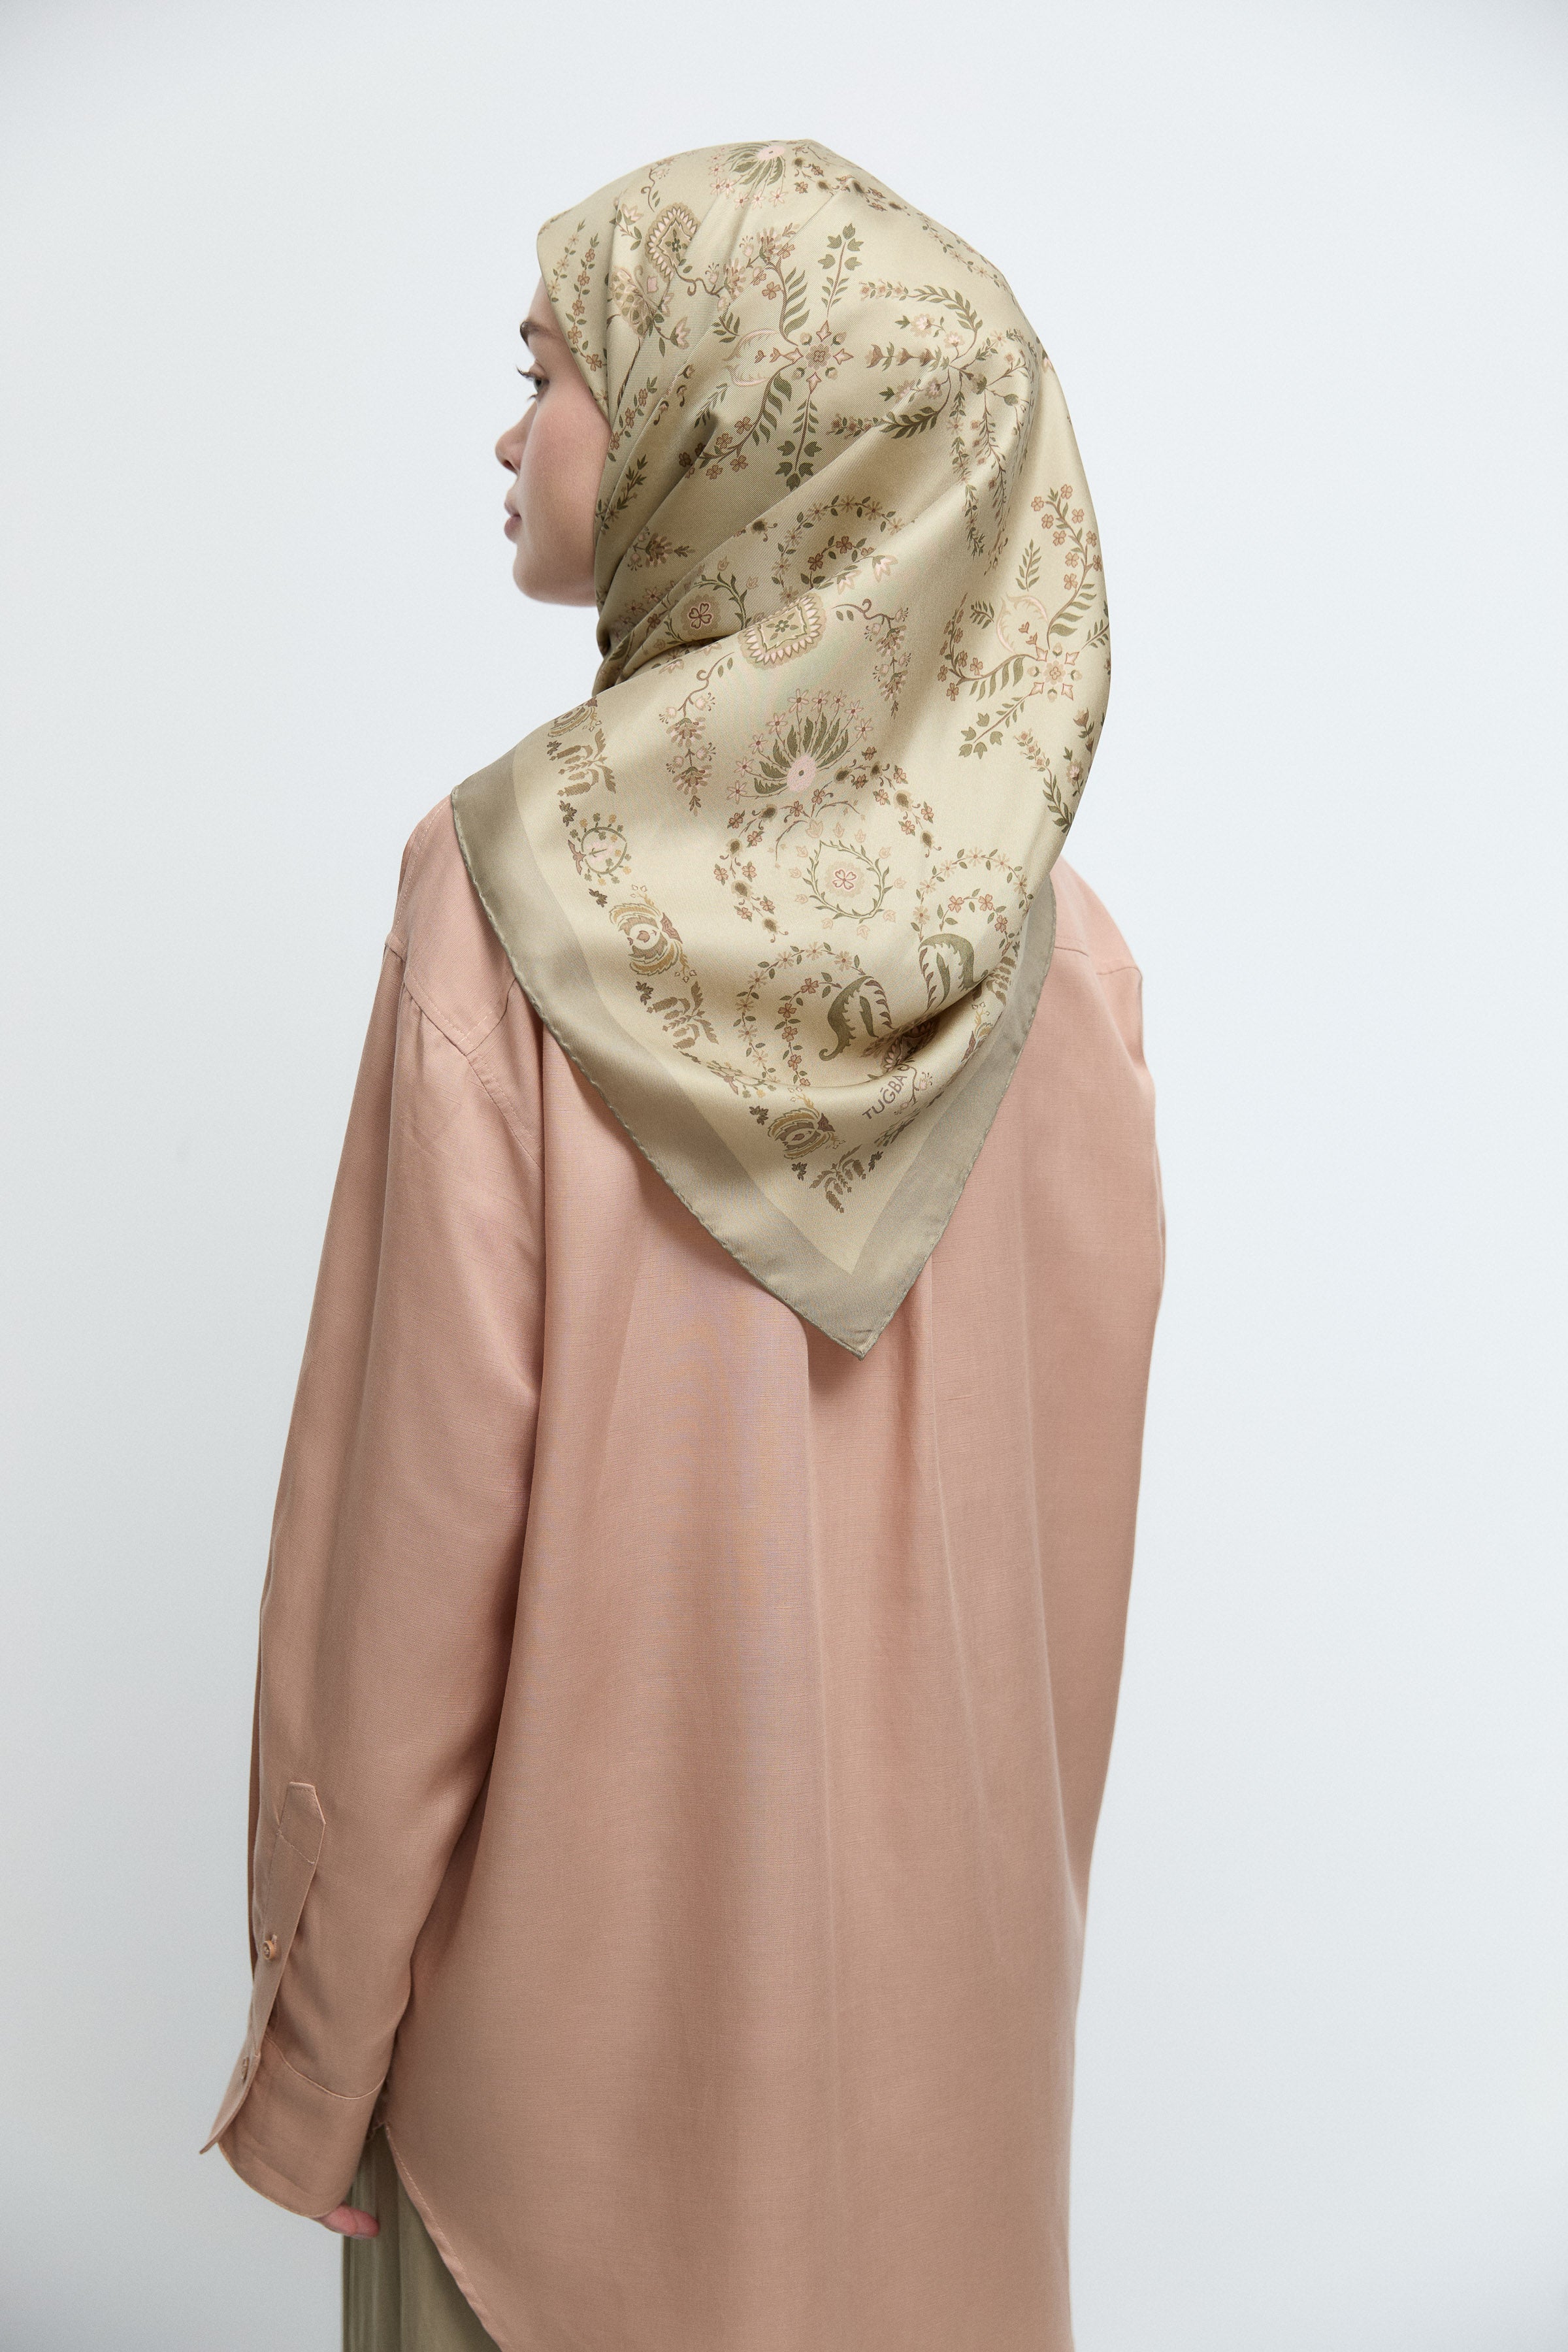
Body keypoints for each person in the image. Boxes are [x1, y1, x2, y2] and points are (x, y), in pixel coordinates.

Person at [203, 139, 1166, 2352]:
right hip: (946, 2131)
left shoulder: (502, 898)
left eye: (551, 373)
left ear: (737, 423)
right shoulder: (1069, 964)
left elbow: (405, 1561)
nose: (512, 433)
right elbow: (1063, 1620)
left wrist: (318, 2056)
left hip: (539, 2154)